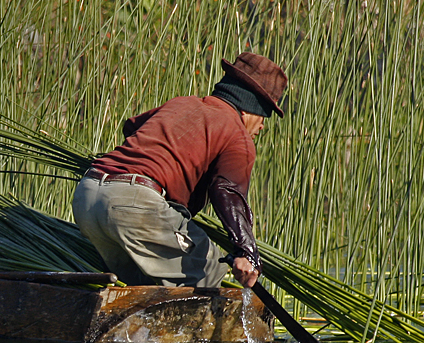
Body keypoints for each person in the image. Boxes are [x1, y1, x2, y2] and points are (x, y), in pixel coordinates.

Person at [71, 52, 287, 289]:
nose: (263, 124)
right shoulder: (237, 132)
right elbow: (228, 191)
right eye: (264, 114)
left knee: (138, 285)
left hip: (87, 194)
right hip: (132, 206)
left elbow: (132, 127)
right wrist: (247, 252)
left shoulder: (182, 103)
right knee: (210, 268)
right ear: (248, 108)